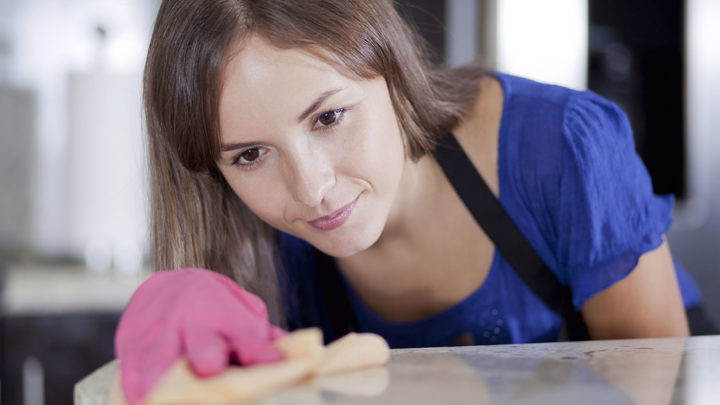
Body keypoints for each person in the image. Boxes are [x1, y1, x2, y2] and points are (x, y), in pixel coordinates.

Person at [114, 0, 716, 403]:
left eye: (328, 117)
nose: (312, 188)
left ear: (392, 70)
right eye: (249, 155)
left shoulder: (559, 146)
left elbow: (650, 391)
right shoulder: (258, 244)